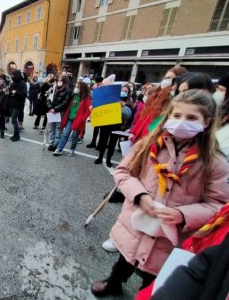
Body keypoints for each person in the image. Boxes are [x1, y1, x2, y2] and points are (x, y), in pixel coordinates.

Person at [91, 89, 229, 297]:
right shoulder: (148, 144)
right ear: (168, 116)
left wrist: (183, 215)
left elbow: (218, 206)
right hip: (136, 224)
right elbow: (123, 172)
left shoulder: (215, 163)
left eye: (191, 118)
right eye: (177, 115)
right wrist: (139, 195)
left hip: (168, 237)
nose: (182, 122)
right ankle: (113, 283)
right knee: (125, 259)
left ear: (207, 122)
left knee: (154, 278)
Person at [130, 66, 188, 143]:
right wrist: (134, 133)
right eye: (165, 78)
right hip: (139, 138)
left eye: (169, 78)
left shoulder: (177, 101)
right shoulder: (156, 97)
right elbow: (143, 117)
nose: (165, 80)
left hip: (152, 141)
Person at [94, 84, 133, 167]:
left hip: (117, 126)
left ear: (128, 93)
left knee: (112, 143)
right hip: (106, 123)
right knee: (102, 141)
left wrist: (123, 107)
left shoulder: (129, 103)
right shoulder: (113, 98)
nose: (123, 92)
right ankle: (100, 157)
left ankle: (108, 159)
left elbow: (128, 116)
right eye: (122, 90)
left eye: (125, 91)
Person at [53, 81, 92, 156]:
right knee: (65, 134)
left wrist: (82, 119)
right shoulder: (73, 95)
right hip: (70, 118)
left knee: (74, 136)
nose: (76, 88)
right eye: (76, 86)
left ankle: (72, 149)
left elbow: (88, 111)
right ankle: (59, 149)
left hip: (78, 120)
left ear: (82, 88)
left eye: (78, 87)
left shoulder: (87, 98)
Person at [46, 74, 72, 151]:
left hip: (60, 112)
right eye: (58, 80)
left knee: (58, 128)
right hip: (52, 110)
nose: (59, 82)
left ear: (64, 81)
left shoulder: (68, 90)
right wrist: (50, 107)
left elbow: (65, 103)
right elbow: (48, 99)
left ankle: (56, 144)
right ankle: (51, 143)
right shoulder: (54, 88)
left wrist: (55, 109)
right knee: (52, 128)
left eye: (61, 80)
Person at [9, 70, 27, 142]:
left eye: (14, 75)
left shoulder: (23, 83)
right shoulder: (13, 83)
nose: (12, 77)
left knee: (13, 120)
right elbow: (10, 91)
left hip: (18, 104)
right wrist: (10, 92)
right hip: (12, 104)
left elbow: (24, 94)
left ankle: (17, 135)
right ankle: (15, 134)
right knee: (13, 120)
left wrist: (15, 93)